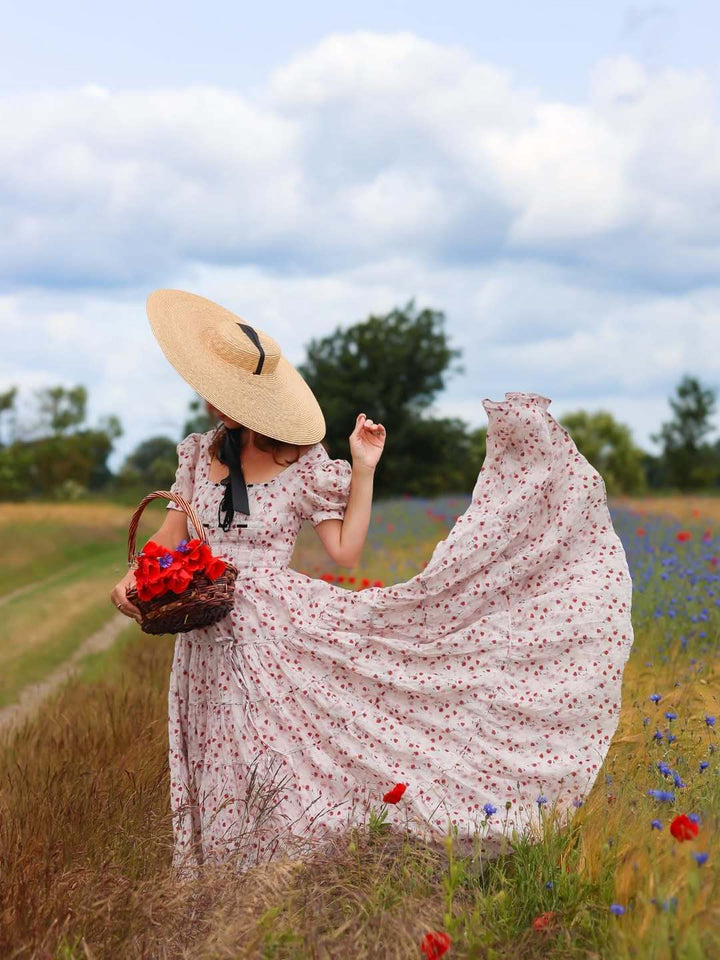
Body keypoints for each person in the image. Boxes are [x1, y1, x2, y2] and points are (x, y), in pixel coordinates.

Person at [111, 289, 635, 877]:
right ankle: (217, 887)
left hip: (273, 632)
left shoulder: (301, 461)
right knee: (214, 750)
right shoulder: (197, 454)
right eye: (211, 388)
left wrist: (363, 467)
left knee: (275, 755)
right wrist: (134, 580)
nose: (211, 401)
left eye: (222, 391)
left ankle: (273, 880)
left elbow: (344, 550)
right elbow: (169, 535)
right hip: (202, 633)